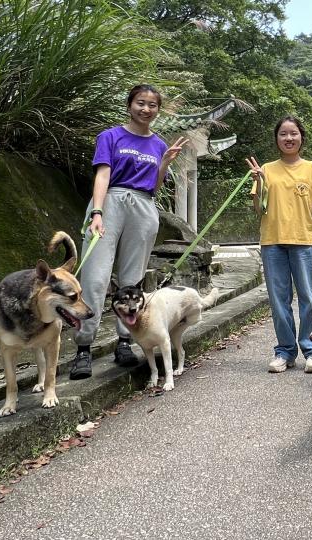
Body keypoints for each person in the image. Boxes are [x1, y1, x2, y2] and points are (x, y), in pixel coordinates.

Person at [70, 84, 187, 379]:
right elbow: (103, 174)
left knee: (132, 280)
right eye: (141, 103)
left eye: (152, 105)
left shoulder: (160, 144)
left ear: (158, 110)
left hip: (144, 207)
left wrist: (164, 164)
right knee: (95, 278)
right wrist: (97, 211)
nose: (146, 109)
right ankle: (84, 347)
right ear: (129, 104)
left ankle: (125, 341)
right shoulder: (110, 136)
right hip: (111, 202)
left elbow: (155, 186)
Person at [247, 116, 312, 374]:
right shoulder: (267, 169)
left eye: (293, 133)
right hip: (272, 242)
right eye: (283, 134)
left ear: (301, 137)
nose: (288, 138)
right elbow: (258, 209)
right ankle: (284, 351)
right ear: (277, 139)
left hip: (303, 241)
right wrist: (259, 181)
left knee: (308, 298)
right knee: (278, 299)